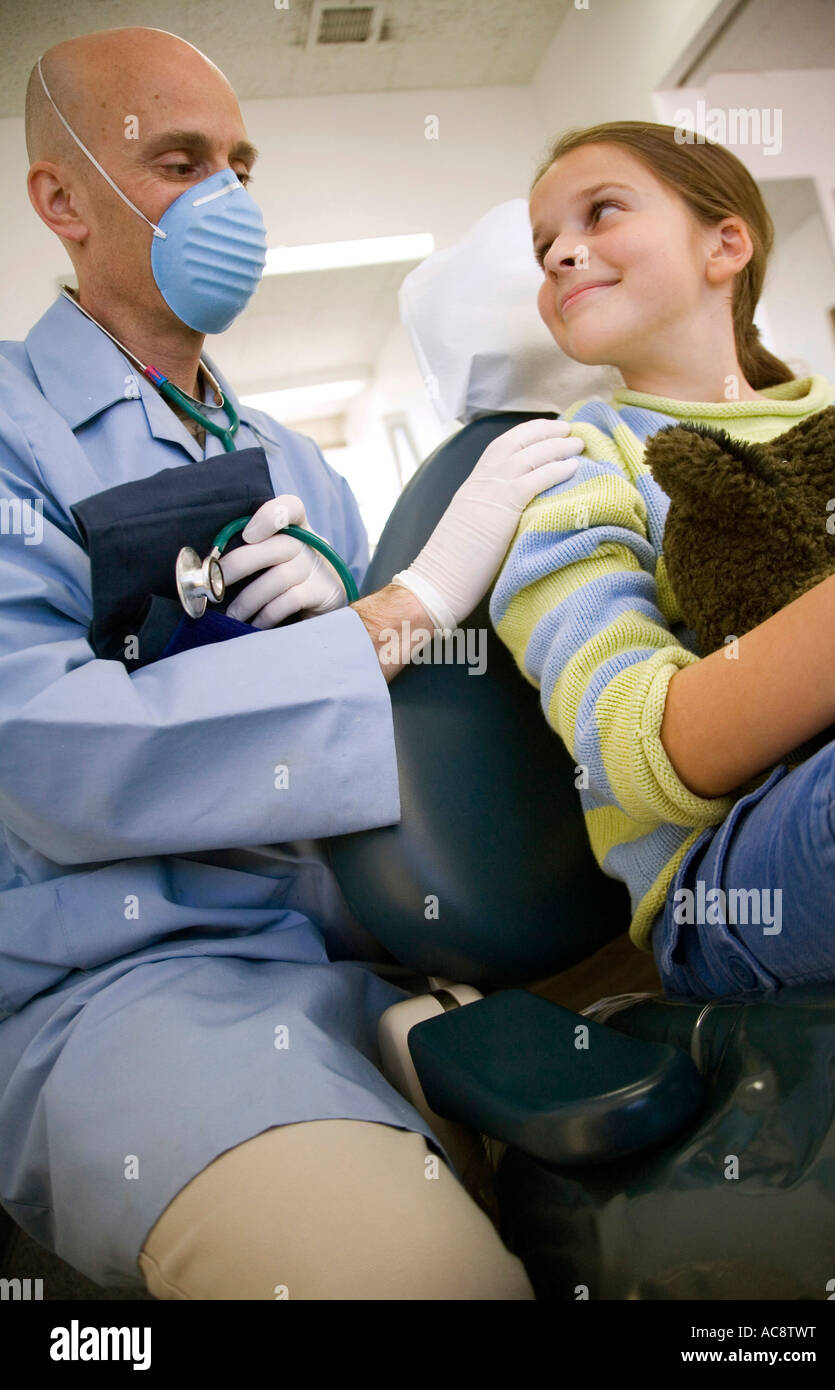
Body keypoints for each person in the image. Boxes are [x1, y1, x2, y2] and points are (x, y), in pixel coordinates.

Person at [0, 27, 584, 1299]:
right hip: (144, 985)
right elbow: (39, 749)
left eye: (241, 164)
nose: (228, 201)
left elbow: (417, 732)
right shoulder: (11, 432)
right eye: (177, 161)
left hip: (372, 943)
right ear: (60, 198)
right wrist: (391, 610)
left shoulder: (293, 460)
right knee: (413, 1277)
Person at [490, 121, 835, 1003]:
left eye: (601, 212)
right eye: (545, 246)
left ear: (725, 243)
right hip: (729, 885)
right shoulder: (574, 469)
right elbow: (635, 749)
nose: (561, 256)